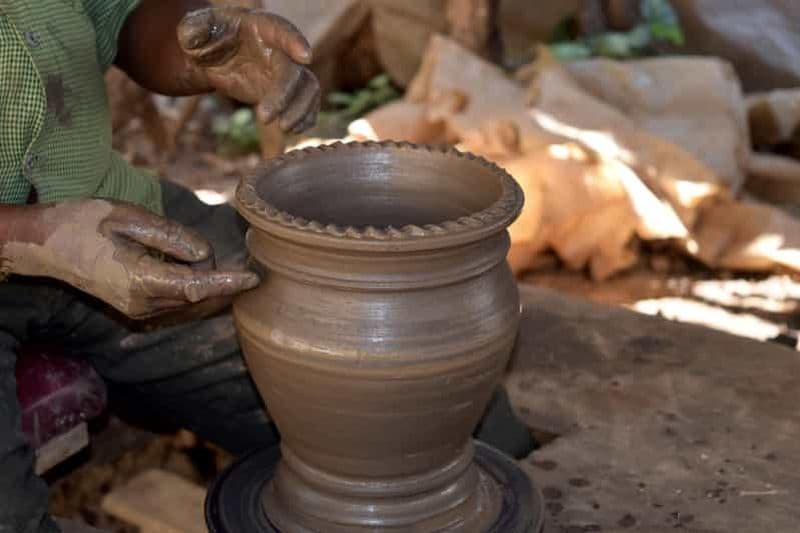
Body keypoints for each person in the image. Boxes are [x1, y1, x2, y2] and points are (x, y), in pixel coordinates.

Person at [0, 2, 532, 531]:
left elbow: (116, 15)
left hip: (103, 213)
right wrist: (30, 237)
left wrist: (197, 53)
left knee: (449, 427)